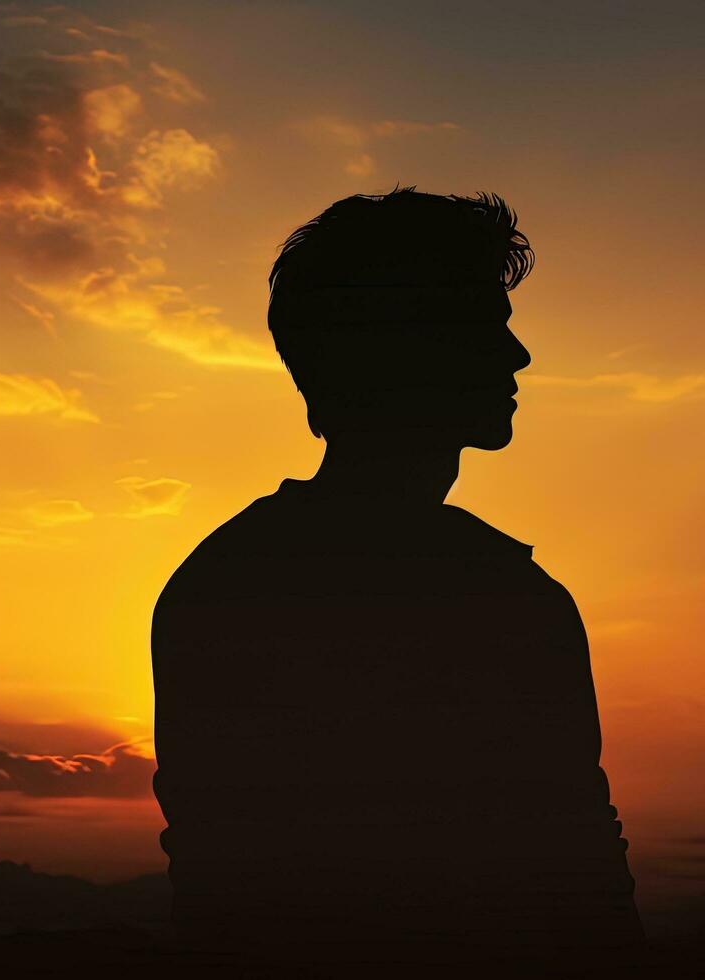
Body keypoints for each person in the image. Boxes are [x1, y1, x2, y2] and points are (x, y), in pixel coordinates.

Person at [151, 187, 642, 973]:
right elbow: (582, 880)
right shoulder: (509, 601)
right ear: (408, 347)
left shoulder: (217, 582)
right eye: (487, 327)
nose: (517, 356)